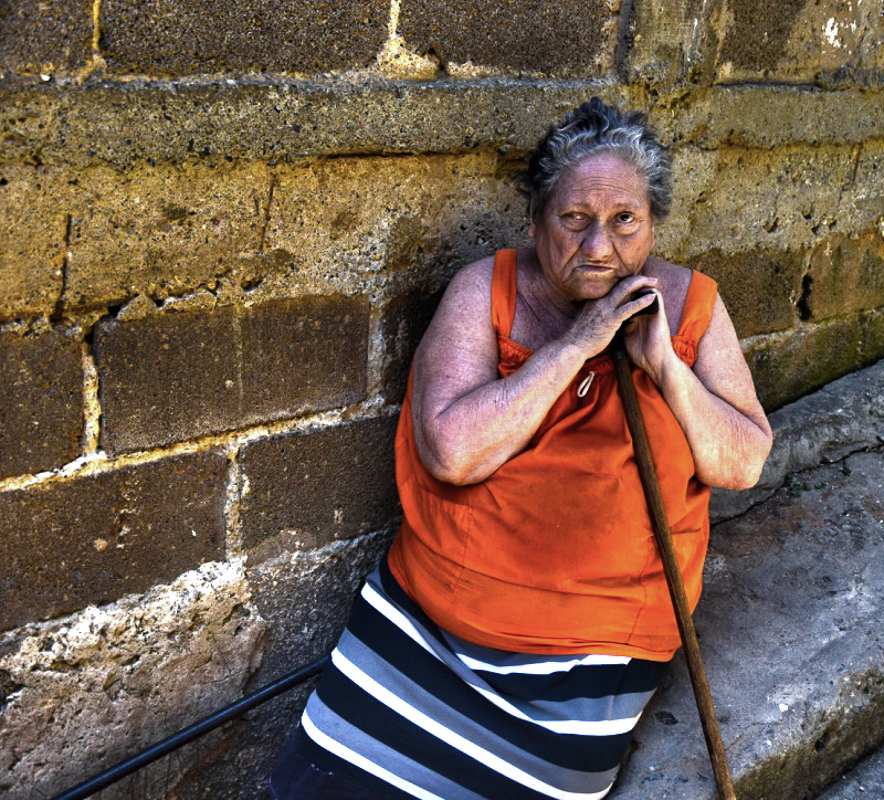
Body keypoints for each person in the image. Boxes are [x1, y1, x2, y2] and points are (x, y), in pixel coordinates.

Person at [267, 97, 773, 799]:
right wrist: (576, 345)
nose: (600, 246)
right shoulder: (486, 290)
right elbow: (452, 452)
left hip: (592, 646)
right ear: (534, 221)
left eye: (624, 220)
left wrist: (665, 366)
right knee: (316, 786)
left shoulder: (690, 309)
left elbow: (742, 462)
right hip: (429, 618)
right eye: (574, 220)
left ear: (653, 223)